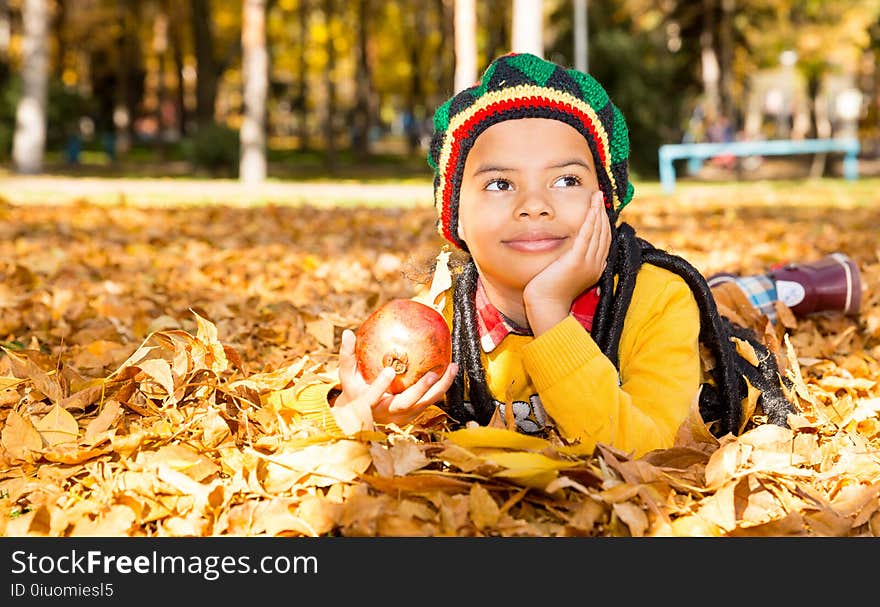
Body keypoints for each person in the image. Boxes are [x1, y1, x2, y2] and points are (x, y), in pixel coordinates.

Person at [325, 53, 863, 458]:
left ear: (605, 204)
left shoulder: (657, 301)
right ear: (455, 219)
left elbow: (645, 450)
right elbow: (318, 396)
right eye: (498, 184)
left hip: (666, 311)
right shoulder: (441, 318)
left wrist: (551, 312)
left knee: (727, 306)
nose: (534, 205)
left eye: (564, 179)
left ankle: (797, 284)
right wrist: (360, 411)